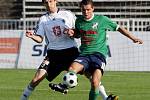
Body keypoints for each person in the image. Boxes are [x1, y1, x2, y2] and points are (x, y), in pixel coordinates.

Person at [50, 0, 143, 100]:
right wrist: (73, 33)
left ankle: (66, 86)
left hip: (99, 55)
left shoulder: (102, 19)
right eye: (83, 10)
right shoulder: (79, 21)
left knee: (95, 83)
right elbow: (78, 34)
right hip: (84, 54)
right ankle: (65, 86)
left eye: (88, 10)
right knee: (71, 70)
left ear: (93, 9)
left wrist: (133, 38)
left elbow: (119, 28)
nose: (86, 12)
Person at [20, 0, 79, 99]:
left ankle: (105, 96)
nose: (48, 4)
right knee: (36, 79)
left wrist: (73, 33)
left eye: (50, 1)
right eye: (46, 2)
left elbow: (79, 32)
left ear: (56, 1)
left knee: (90, 75)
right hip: (53, 55)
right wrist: (32, 36)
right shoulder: (43, 19)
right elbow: (40, 39)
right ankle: (23, 98)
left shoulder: (68, 14)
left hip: (71, 52)